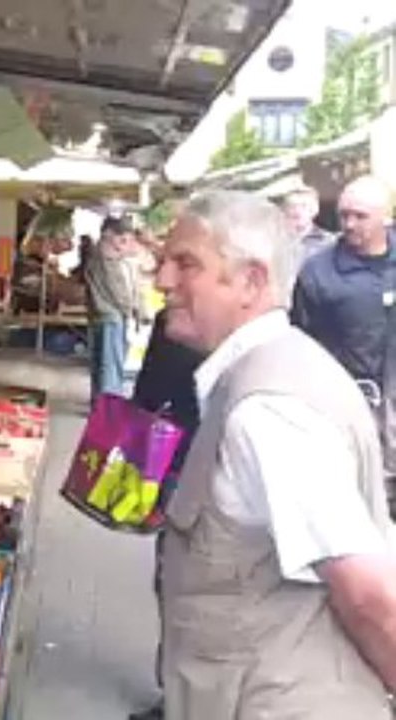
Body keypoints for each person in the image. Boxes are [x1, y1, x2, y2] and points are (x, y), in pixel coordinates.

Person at [155, 189, 396, 718]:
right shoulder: (264, 375)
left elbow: (370, 597)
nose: (163, 281)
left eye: (186, 264)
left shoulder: (268, 409)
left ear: (251, 281)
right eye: (164, 261)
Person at [291, 176, 396, 506]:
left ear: (386, 217)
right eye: (344, 215)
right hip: (349, 406)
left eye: (360, 216)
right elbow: (301, 344)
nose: (349, 224)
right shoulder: (318, 273)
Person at [127, 308, 204, 720]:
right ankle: (180, 696)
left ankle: (176, 696)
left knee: (174, 579)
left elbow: (149, 394)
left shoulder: (173, 320)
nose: (163, 275)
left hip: (183, 456)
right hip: (188, 458)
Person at [85, 217, 139, 397]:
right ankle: (108, 411)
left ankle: (99, 407)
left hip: (101, 315)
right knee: (111, 368)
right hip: (112, 317)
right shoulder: (107, 257)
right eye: (121, 239)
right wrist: (131, 310)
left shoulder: (97, 254)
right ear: (108, 234)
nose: (123, 245)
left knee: (101, 366)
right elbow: (118, 291)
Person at [280, 184, 335, 259]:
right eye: (292, 206)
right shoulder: (275, 242)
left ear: (314, 210)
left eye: (303, 206)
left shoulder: (329, 242)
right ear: (284, 211)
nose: (297, 211)